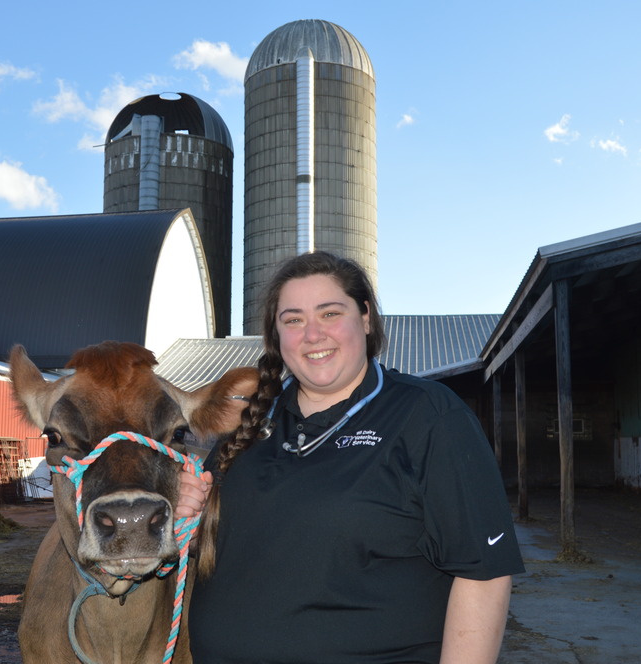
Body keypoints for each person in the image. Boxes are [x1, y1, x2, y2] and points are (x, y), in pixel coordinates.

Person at [176, 251, 524, 664]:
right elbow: (228, 547)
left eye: (329, 313)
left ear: (366, 318)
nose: (312, 334)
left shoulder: (427, 415)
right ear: (276, 336)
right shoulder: (249, 423)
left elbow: (483, 576)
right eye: (293, 320)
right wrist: (190, 523)